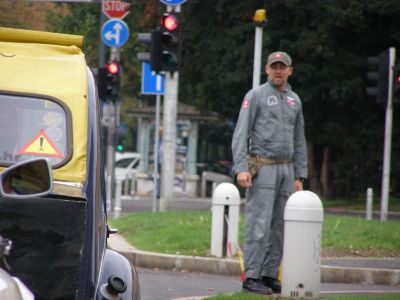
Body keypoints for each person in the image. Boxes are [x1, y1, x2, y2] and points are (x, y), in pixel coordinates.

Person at [231, 51, 307, 295]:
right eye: (274, 66)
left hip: (287, 167)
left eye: (282, 67)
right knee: (259, 224)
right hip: (262, 166)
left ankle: (269, 273)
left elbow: (299, 139)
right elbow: (241, 133)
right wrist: (241, 167)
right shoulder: (255, 96)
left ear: (290, 70)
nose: (278, 71)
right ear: (266, 69)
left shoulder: (294, 100)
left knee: (279, 226)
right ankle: (251, 275)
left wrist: (299, 175)